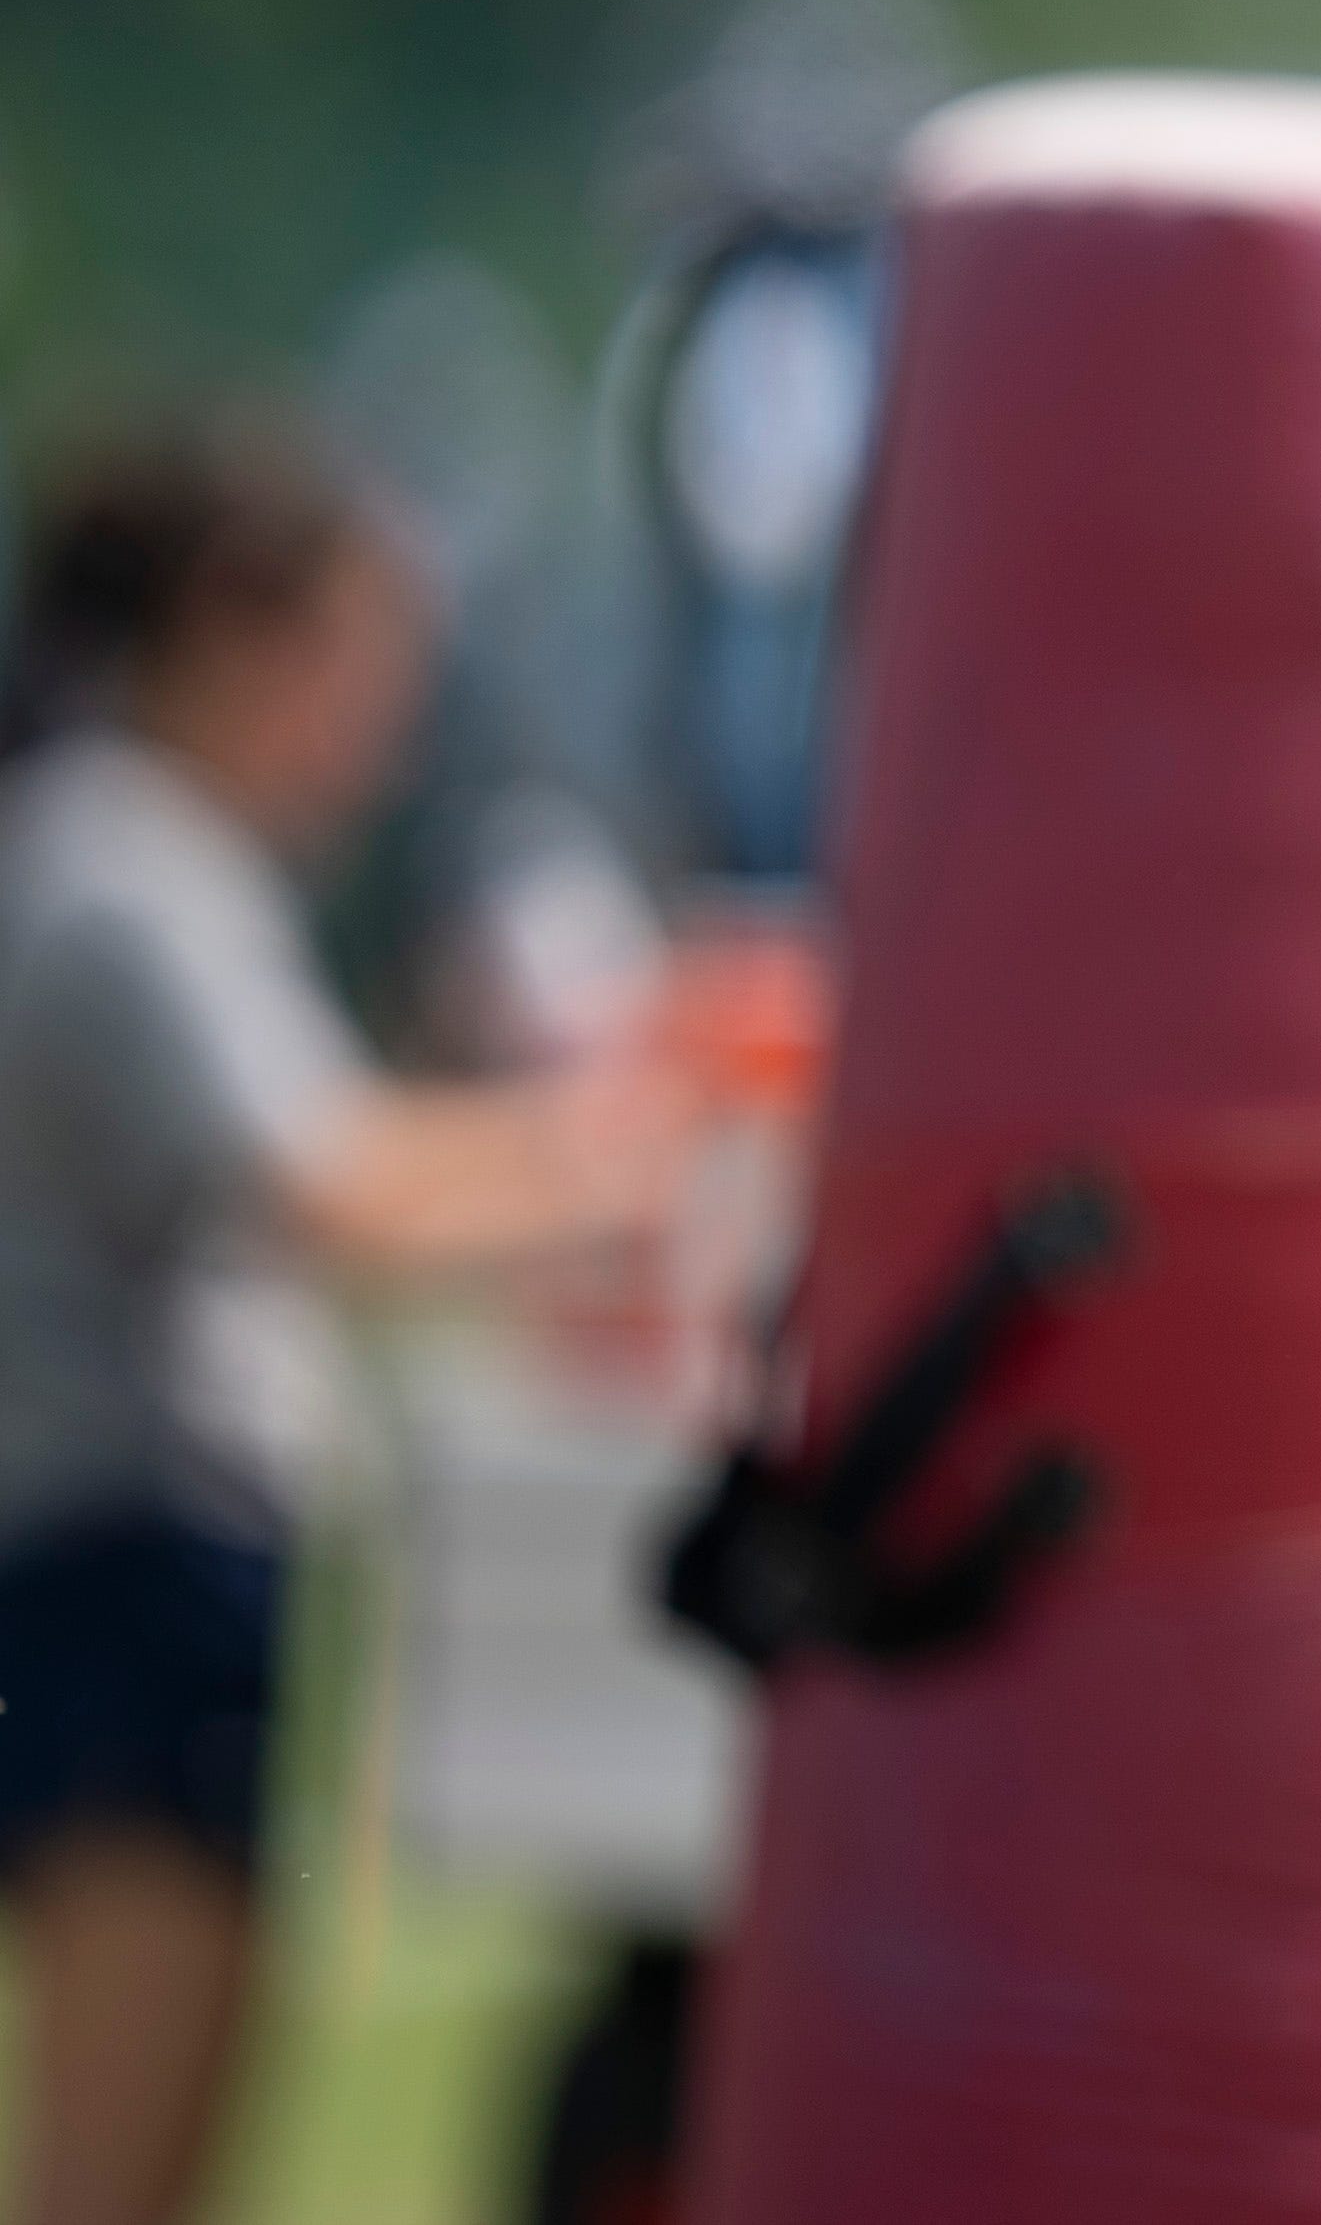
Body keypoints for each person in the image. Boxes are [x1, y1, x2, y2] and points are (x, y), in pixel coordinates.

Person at [0, 421, 685, 2225]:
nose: (378, 736)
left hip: (145, 1575)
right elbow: (331, 1184)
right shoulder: (121, 859)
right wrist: (627, 1145)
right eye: (360, 665)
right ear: (239, 628)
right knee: (112, 2185)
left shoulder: (143, 855)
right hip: (118, 1574)